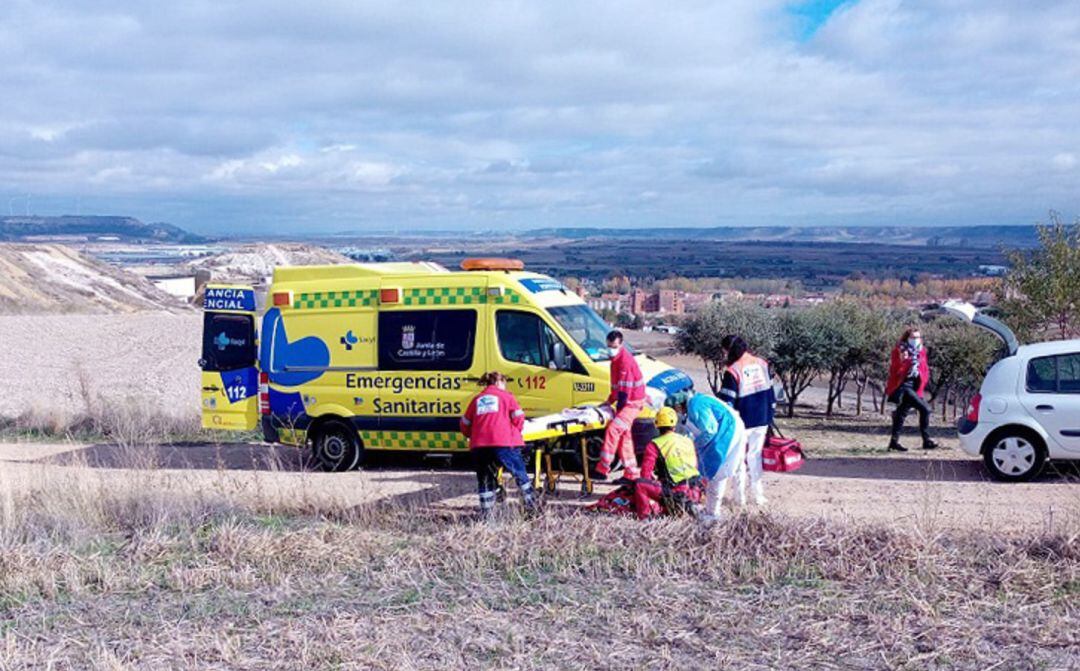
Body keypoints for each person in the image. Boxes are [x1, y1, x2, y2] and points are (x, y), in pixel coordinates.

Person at [460, 371, 538, 516]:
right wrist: (515, 433)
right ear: (498, 382)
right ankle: (530, 508)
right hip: (504, 444)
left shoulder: (476, 400)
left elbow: (464, 424)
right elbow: (519, 419)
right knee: (520, 474)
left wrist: (474, 435)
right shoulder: (507, 397)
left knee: (485, 479)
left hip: (480, 446)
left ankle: (487, 515)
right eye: (504, 383)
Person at [718, 335, 774, 506]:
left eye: (724, 351)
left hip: (742, 421)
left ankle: (739, 498)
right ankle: (758, 497)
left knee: (738, 459)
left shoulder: (733, 371)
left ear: (729, 350)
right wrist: (770, 415)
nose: (723, 354)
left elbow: (728, 402)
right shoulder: (762, 363)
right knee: (755, 457)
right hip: (762, 418)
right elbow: (770, 391)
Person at [684, 390, 746, 522]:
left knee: (717, 472)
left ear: (679, 405)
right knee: (735, 466)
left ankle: (712, 514)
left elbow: (709, 431)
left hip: (728, 432)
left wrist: (695, 446)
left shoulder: (695, 405)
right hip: (736, 425)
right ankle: (737, 500)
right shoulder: (700, 397)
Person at [632, 407, 704, 519]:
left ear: (656, 425)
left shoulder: (654, 445)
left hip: (676, 494)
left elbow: (645, 475)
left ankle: (645, 518)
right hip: (695, 491)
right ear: (674, 424)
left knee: (640, 484)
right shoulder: (688, 441)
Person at [595, 330, 645, 482]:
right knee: (624, 436)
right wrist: (609, 402)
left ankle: (602, 469)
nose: (611, 349)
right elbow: (617, 388)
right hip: (629, 401)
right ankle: (631, 474)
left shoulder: (625, 361)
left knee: (613, 430)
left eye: (614, 346)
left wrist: (617, 410)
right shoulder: (616, 359)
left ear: (621, 344)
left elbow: (624, 393)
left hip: (631, 403)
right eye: (609, 346)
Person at [884, 327, 939, 452]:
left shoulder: (921, 351)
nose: (916, 340)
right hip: (904, 385)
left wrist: (924, 380)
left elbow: (924, 368)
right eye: (913, 337)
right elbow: (895, 370)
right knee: (925, 409)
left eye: (918, 337)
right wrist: (905, 360)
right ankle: (926, 441)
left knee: (901, 414)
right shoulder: (899, 350)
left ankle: (893, 442)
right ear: (907, 338)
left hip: (915, 385)